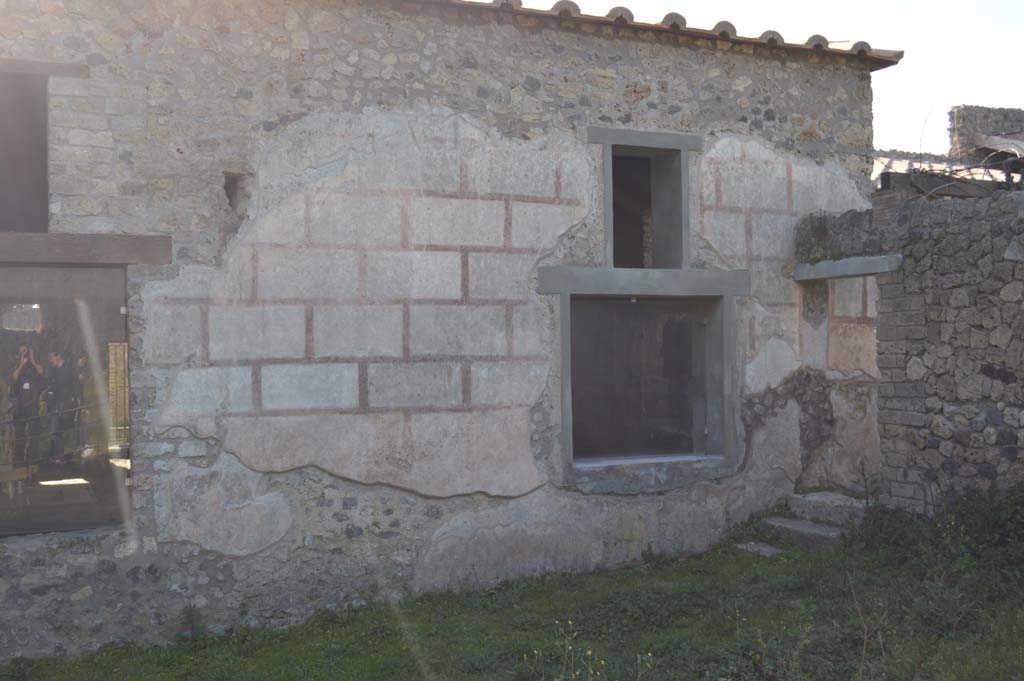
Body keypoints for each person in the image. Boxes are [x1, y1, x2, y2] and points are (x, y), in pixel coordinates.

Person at [10, 344, 43, 464]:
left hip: (32, 404)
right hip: (20, 406)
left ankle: (34, 460)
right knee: (19, 435)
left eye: (26, 351)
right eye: (22, 351)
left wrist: (33, 360)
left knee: (34, 433)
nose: (24, 353)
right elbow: (13, 378)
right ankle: (19, 460)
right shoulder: (16, 364)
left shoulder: (34, 365)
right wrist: (21, 364)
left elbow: (41, 371)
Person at [45, 350, 74, 461]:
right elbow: (52, 386)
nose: (50, 360)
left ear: (58, 356)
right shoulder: (54, 371)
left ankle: (60, 455)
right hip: (54, 404)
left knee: (55, 431)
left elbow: (70, 386)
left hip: (63, 404)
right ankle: (59, 455)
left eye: (51, 357)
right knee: (55, 431)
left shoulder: (67, 369)